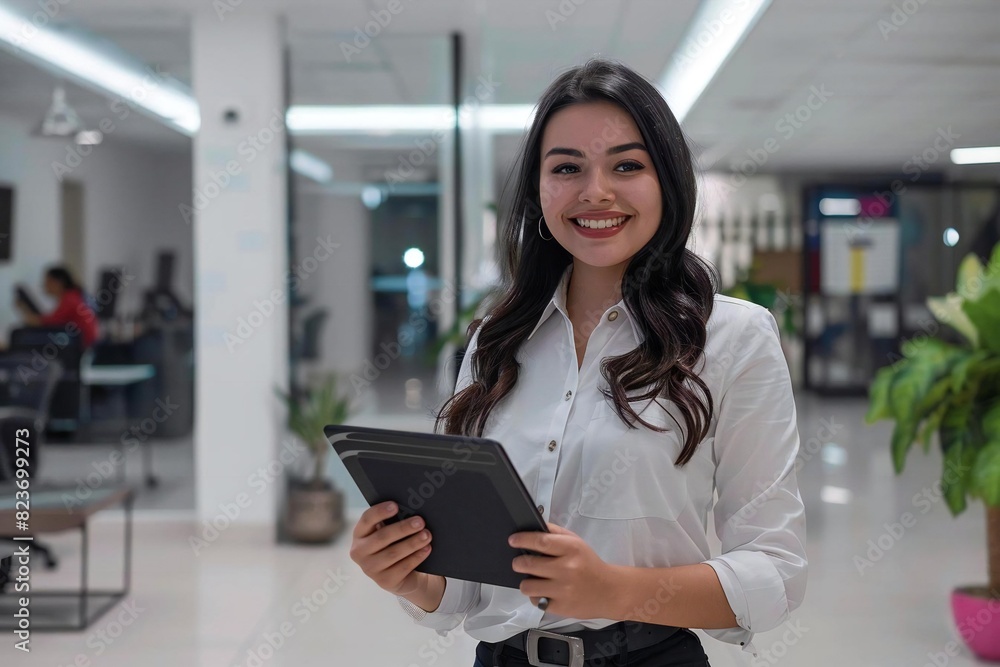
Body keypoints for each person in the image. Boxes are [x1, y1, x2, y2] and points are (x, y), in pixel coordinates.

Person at [349, 59, 807, 667]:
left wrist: (613, 590)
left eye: (627, 165)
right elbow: (468, 587)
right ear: (537, 190)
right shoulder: (494, 341)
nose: (595, 192)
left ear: (668, 182)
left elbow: (775, 571)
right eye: (567, 168)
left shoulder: (732, 337)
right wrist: (413, 577)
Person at [15, 265, 99, 348]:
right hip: (77, 340)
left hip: (80, 343)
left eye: (48, 281)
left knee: (23, 338)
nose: (44, 285)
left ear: (58, 282)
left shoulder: (70, 299)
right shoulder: (73, 295)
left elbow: (50, 323)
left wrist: (26, 311)